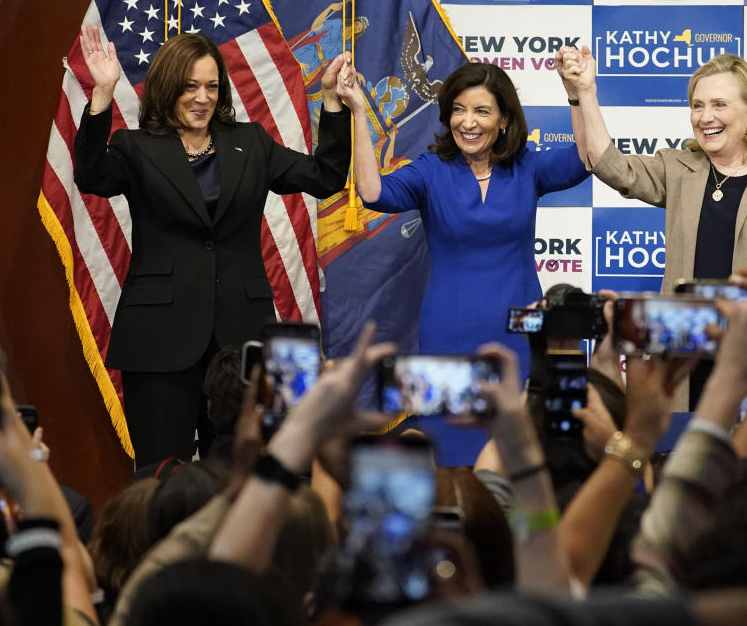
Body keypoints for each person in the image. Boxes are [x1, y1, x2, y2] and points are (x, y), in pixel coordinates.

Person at [73, 26, 354, 468]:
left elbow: (325, 178)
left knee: (243, 471)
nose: (202, 97)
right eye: (190, 86)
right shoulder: (136, 147)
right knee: (160, 474)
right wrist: (103, 93)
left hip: (240, 336)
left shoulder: (251, 143)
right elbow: (91, 176)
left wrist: (332, 104)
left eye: (211, 86)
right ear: (168, 88)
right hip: (160, 339)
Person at [337, 61, 590, 377]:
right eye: (459, 110)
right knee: (450, 424)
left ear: (503, 120)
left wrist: (580, 94)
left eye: (482, 112)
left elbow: (586, 159)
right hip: (448, 330)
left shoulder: (528, 167)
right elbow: (374, 193)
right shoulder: (430, 170)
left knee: (520, 423)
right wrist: (359, 112)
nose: (468, 122)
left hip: (523, 331)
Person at [562, 49, 747, 294]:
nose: (705, 117)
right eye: (697, 105)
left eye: (720, 104)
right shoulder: (678, 169)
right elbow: (604, 161)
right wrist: (585, 93)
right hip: (687, 344)